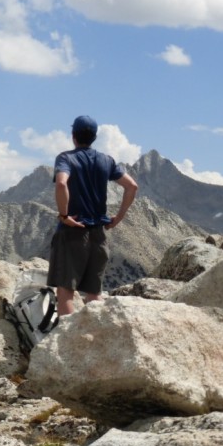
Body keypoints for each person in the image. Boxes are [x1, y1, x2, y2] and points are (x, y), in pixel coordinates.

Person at [47, 115, 138, 315]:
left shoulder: (66, 158)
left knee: (65, 292)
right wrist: (119, 217)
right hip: (99, 233)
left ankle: (68, 341)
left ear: (73, 136)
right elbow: (131, 186)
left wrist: (64, 215)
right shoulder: (106, 160)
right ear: (95, 137)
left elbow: (62, 183)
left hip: (72, 232)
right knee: (94, 294)